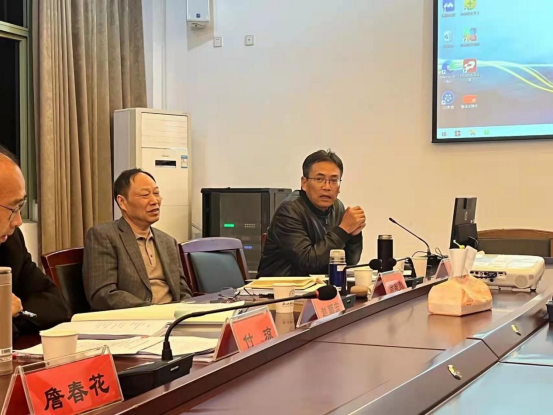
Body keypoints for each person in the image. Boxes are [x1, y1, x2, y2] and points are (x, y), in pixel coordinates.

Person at [83, 168, 192, 311]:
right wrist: (154, 311)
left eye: (156, 193)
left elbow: (183, 291)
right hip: (136, 318)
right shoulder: (104, 236)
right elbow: (103, 295)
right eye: (145, 195)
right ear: (122, 202)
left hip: (174, 317)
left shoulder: (168, 241)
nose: (154, 201)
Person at [258, 150, 365, 276]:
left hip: (318, 285)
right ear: (304, 183)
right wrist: (343, 230)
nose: (327, 187)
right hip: (280, 287)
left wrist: (353, 235)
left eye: (333, 180)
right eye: (319, 179)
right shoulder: (289, 211)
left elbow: (349, 262)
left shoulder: (338, 207)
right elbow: (308, 262)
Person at [0, 146, 69, 338]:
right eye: (13, 209)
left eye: (21, 207)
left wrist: (11, 315)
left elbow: (55, 305)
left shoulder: (11, 243)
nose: (18, 221)